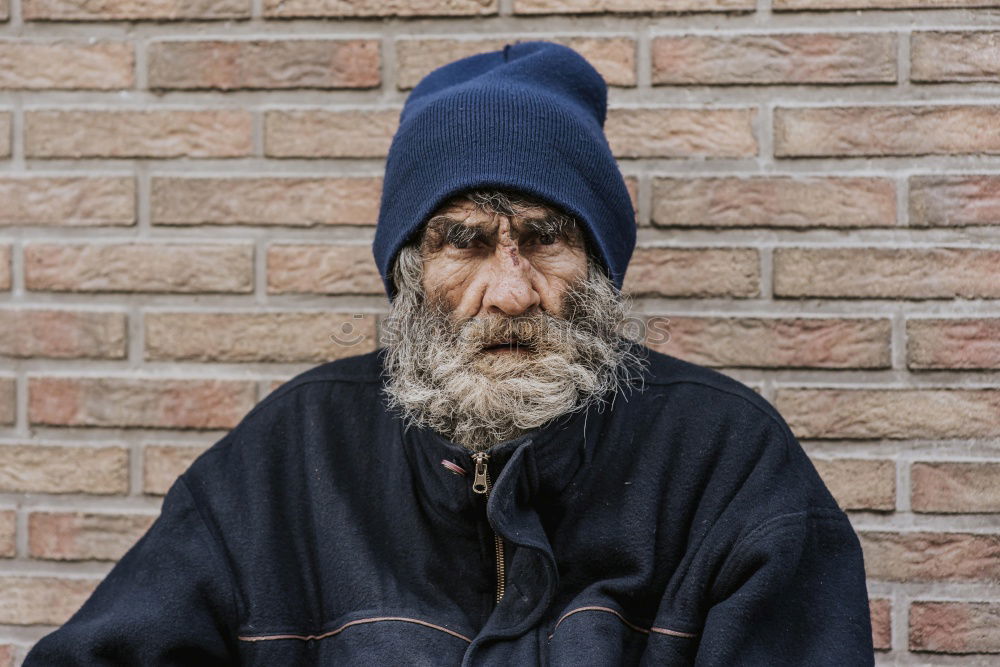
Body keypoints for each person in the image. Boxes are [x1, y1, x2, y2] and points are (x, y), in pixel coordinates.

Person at [24, 41, 874, 665]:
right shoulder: (287, 460)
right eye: (463, 243)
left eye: (546, 241)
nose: (507, 291)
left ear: (602, 270)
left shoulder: (726, 467)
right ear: (407, 273)